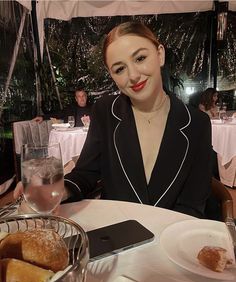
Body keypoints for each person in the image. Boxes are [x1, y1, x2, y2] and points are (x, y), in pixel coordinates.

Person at [15, 21, 212, 218]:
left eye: (140, 58)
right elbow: (86, 173)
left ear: (160, 54)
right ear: (112, 75)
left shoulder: (198, 123)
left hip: (171, 239)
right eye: (119, 69)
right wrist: (54, 190)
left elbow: (192, 206)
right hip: (115, 236)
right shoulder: (105, 111)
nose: (133, 75)